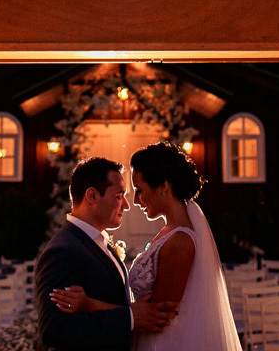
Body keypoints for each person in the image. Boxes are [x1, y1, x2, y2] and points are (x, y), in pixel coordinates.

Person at [50, 143, 244, 351]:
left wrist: (89, 304)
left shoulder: (180, 241)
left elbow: (154, 317)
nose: (134, 201)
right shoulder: (168, 232)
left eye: (139, 190)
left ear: (163, 186)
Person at [35, 156, 179, 351]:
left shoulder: (97, 241)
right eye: (119, 196)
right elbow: (55, 330)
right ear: (92, 196)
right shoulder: (63, 251)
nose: (126, 206)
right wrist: (129, 319)